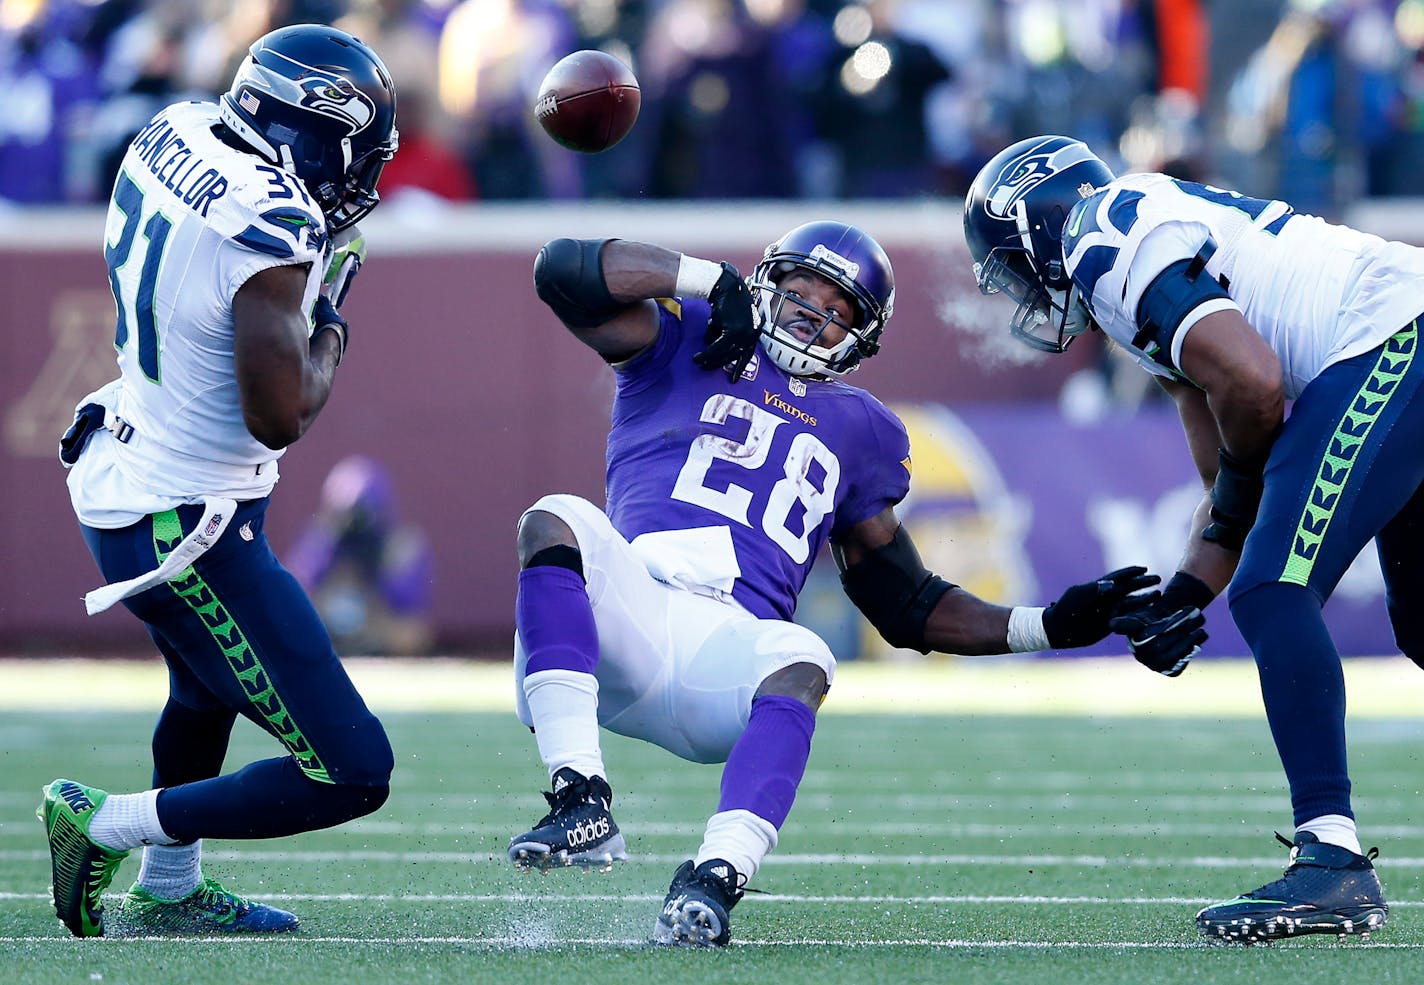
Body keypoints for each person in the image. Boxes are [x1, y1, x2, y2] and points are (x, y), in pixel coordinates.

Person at [509, 220, 1180, 947]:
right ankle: (582, 796)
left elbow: (908, 603)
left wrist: (1049, 624)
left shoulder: (867, 431)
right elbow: (562, 270)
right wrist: (704, 279)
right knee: (555, 518)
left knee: (804, 659)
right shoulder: (692, 333)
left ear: (861, 336)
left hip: (723, 652)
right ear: (766, 281)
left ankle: (715, 877)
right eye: (803, 291)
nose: (815, 313)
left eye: (840, 308)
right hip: (625, 618)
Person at [963, 134, 1413, 944]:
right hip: (1399, 333)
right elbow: (1225, 481)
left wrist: (1246, 507)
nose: (1021, 291)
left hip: (1389, 335)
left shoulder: (1104, 244)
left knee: (1276, 592)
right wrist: (1186, 591)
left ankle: (1333, 860)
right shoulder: (1132, 274)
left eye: (1011, 264)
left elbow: (1255, 384)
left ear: (1036, 226)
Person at [39, 25, 399, 938]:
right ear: (310, 128)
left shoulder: (179, 125)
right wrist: (332, 323)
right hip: (183, 519)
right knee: (352, 768)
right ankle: (103, 822)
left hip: (137, 454)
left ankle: (169, 886)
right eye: (354, 151)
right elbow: (283, 412)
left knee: (203, 692)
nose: (358, 176)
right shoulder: (274, 222)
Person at [289, 454, 434, 656]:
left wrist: (387, 567)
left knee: (410, 634)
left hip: (376, 623)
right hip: (329, 621)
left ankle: (366, 647)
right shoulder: (323, 535)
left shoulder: (400, 544)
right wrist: (327, 542)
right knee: (293, 625)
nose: (356, 521)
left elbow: (407, 607)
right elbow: (299, 589)